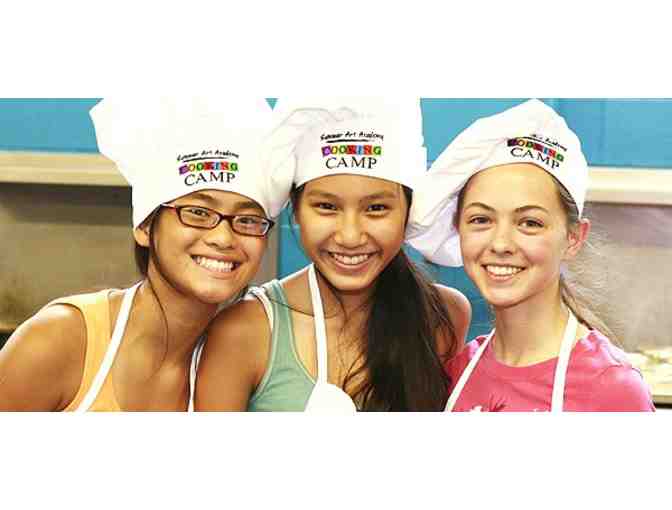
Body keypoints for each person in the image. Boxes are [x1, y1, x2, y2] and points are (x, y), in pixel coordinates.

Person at [0, 97, 288, 411]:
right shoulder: (59, 340)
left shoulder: (237, 366)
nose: (223, 238)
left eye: (247, 219)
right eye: (198, 212)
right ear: (145, 227)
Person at [196, 97, 472, 412]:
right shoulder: (244, 331)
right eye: (326, 207)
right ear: (295, 210)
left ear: (408, 211)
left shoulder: (444, 315)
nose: (350, 236)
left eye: (376, 208)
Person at [407, 99, 655, 412]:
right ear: (459, 228)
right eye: (481, 219)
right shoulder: (456, 372)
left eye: (530, 223)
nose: (501, 244)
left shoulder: (613, 388)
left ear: (574, 238)